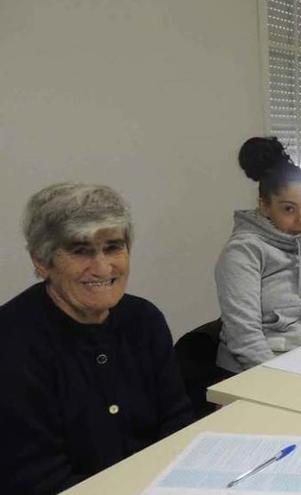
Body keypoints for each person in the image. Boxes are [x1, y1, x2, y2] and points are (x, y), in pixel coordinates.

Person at [0, 183, 192, 494]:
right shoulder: (12, 342)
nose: (103, 267)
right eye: (80, 250)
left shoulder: (145, 320)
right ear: (41, 261)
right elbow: (36, 478)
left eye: (113, 247)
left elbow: (177, 424)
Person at [215, 137, 301, 373]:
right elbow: (245, 339)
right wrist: (281, 381)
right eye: (288, 209)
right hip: (251, 370)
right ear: (265, 206)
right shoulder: (243, 253)